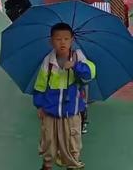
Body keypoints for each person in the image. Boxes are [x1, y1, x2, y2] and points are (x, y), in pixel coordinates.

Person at [34, 23, 96, 170]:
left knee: (71, 142)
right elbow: (40, 86)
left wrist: (75, 66)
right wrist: (39, 105)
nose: (62, 42)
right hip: (50, 110)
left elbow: (90, 73)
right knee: (48, 141)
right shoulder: (48, 61)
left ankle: (72, 165)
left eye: (66, 39)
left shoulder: (78, 56)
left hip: (71, 111)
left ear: (72, 40)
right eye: (58, 39)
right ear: (51, 41)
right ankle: (47, 165)